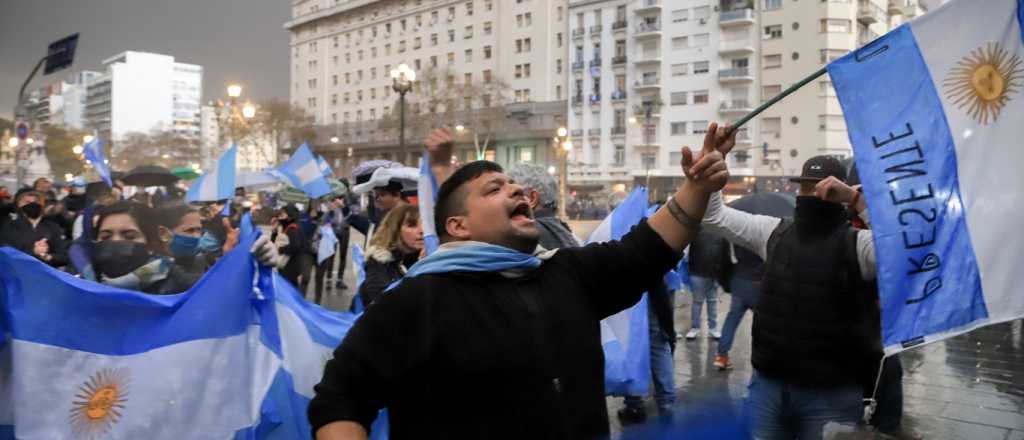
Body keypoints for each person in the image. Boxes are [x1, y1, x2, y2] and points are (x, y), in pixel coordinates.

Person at [308, 123, 734, 440]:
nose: (517, 191)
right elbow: (339, 398)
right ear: (458, 226)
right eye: (495, 189)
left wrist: (696, 187)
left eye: (515, 185)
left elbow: (647, 248)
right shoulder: (416, 301)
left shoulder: (567, 272)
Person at [700, 155, 879, 439]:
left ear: (840, 192)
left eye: (824, 188)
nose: (814, 194)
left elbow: (904, 256)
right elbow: (713, 217)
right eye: (806, 187)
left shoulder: (859, 244)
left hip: (831, 393)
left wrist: (857, 200)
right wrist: (712, 172)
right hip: (768, 388)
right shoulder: (774, 232)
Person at [90, 201, 278, 294]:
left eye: (129, 236)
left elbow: (230, 299)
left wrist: (254, 266)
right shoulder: (82, 284)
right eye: (105, 236)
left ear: (150, 243)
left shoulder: (180, 284)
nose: (115, 242)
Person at [353, 203, 423, 310]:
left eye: (425, 224)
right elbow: (383, 301)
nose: (421, 231)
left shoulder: (433, 257)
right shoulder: (379, 260)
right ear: (395, 229)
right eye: (412, 225)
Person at [506, 162, 581, 250]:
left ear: (532, 199)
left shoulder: (523, 235)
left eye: (514, 194)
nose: (503, 200)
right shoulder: (568, 234)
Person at [714, 243, 764, 370]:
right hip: (757, 283)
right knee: (763, 324)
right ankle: (763, 357)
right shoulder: (761, 235)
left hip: (738, 281)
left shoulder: (739, 236)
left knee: (731, 319)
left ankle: (721, 356)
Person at [0, 189, 69, 268]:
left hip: (46, 272)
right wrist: (33, 251)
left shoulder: (52, 226)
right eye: (27, 202)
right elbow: (6, 255)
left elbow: (64, 257)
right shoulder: (9, 226)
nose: (32, 204)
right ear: (17, 205)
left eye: (36, 201)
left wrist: (47, 256)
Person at [684, 229, 731, 340]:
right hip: (702, 273)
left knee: (704, 302)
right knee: (704, 302)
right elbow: (726, 256)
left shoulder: (696, 231)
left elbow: (725, 255)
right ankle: (706, 328)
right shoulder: (720, 232)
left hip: (704, 273)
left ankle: (703, 328)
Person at [272, 204, 311, 289]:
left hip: (290, 267)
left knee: (289, 289)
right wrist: (274, 231)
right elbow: (275, 243)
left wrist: (280, 249)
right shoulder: (285, 227)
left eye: (283, 213)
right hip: (286, 266)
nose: (280, 215)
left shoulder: (293, 229)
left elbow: (296, 246)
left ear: (290, 216)